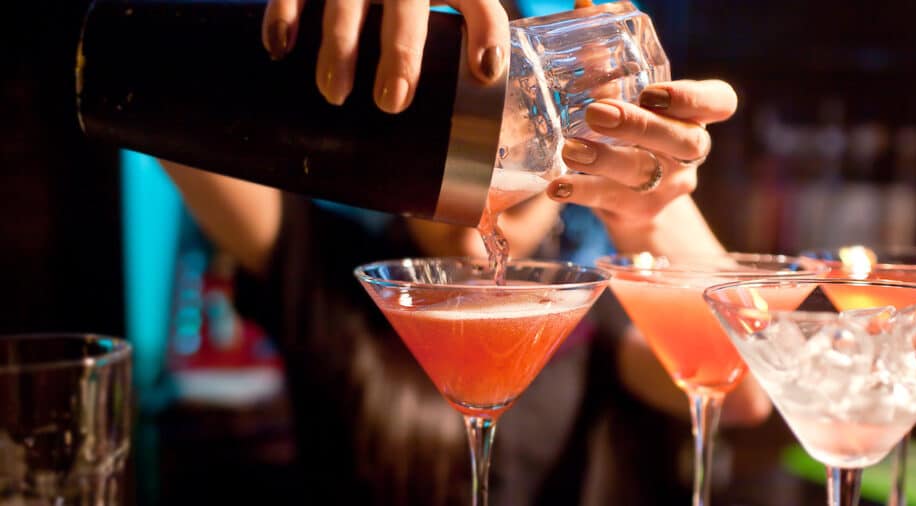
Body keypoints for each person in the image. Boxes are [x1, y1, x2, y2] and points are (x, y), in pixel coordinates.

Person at [161, 1, 770, 503]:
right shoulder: (326, 267)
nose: (482, 213)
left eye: (523, 175)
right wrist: (297, 33)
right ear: (392, 162)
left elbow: (737, 389)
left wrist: (653, 210)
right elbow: (162, 92)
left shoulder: (586, 315)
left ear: (567, 190)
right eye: (454, 167)